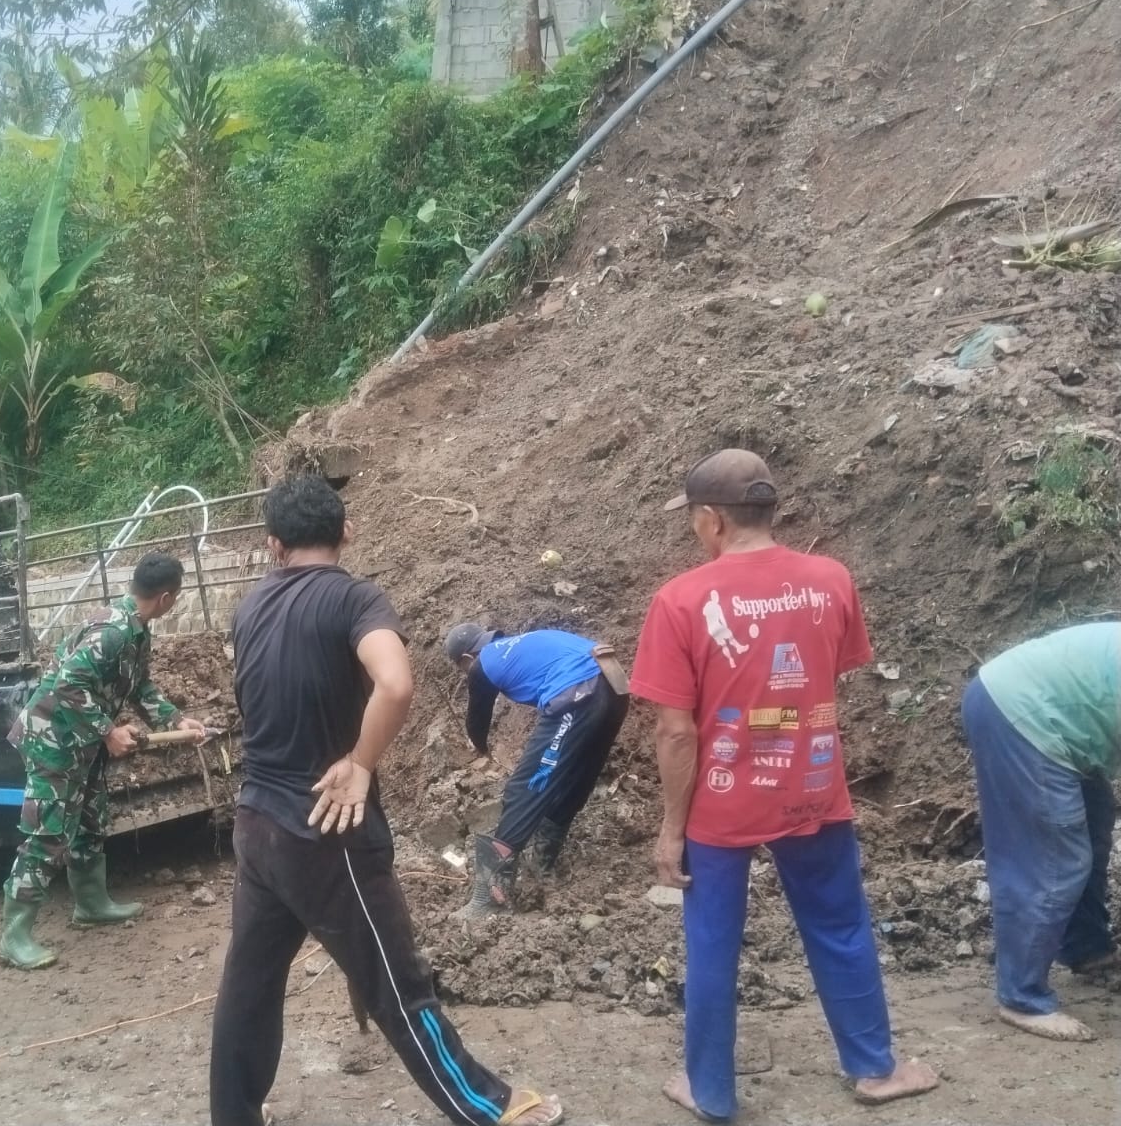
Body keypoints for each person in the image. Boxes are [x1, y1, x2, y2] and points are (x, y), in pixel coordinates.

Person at [209, 475, 562, 1126]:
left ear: (273, 544)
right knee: (400, 985)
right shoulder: (354, 599)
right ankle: (490, 1107)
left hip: (256, 824)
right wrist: (360, 764)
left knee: (248, 986)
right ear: (347, 532)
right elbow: (395, 685)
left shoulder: (249, 607)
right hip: (324, 827)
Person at [628, 448, 938, 1121]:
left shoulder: (680, 600)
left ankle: (711, 1091)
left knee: (712, 942)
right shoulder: (831, 580)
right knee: (840, 925)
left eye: (693, 518)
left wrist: (671, 831)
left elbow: (676, 733)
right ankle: (876, 1069)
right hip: (813, 788)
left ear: (711, 519)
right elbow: (825, 674)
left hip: (721, 804)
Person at [0, 553, 205, 971]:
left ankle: (91, 904)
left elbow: (140, 686)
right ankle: (14, 936)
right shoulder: (111, 632)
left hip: (83, 741)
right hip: (53, 741)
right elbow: (68, 683)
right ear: (166, 598)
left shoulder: (136, 631)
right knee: (48, 833)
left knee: (91, 820)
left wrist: (175, 719)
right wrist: (109, 731)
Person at [961, 622, 1119, 1042]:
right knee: (1054, 857)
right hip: (1020, 711)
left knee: (1095, 822)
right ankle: (1021, 997)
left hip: (1053, 711)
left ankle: (1086, 947)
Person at [443, 623, 629, 915]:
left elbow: (477, 721)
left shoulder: (481, 664)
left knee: (526, 787)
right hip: (614, 686)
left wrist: (479, 748)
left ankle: (489, 899)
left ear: (467, 658)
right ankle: (542, 866)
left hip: (577, 692)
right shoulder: (521, 644)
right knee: (574, 780)